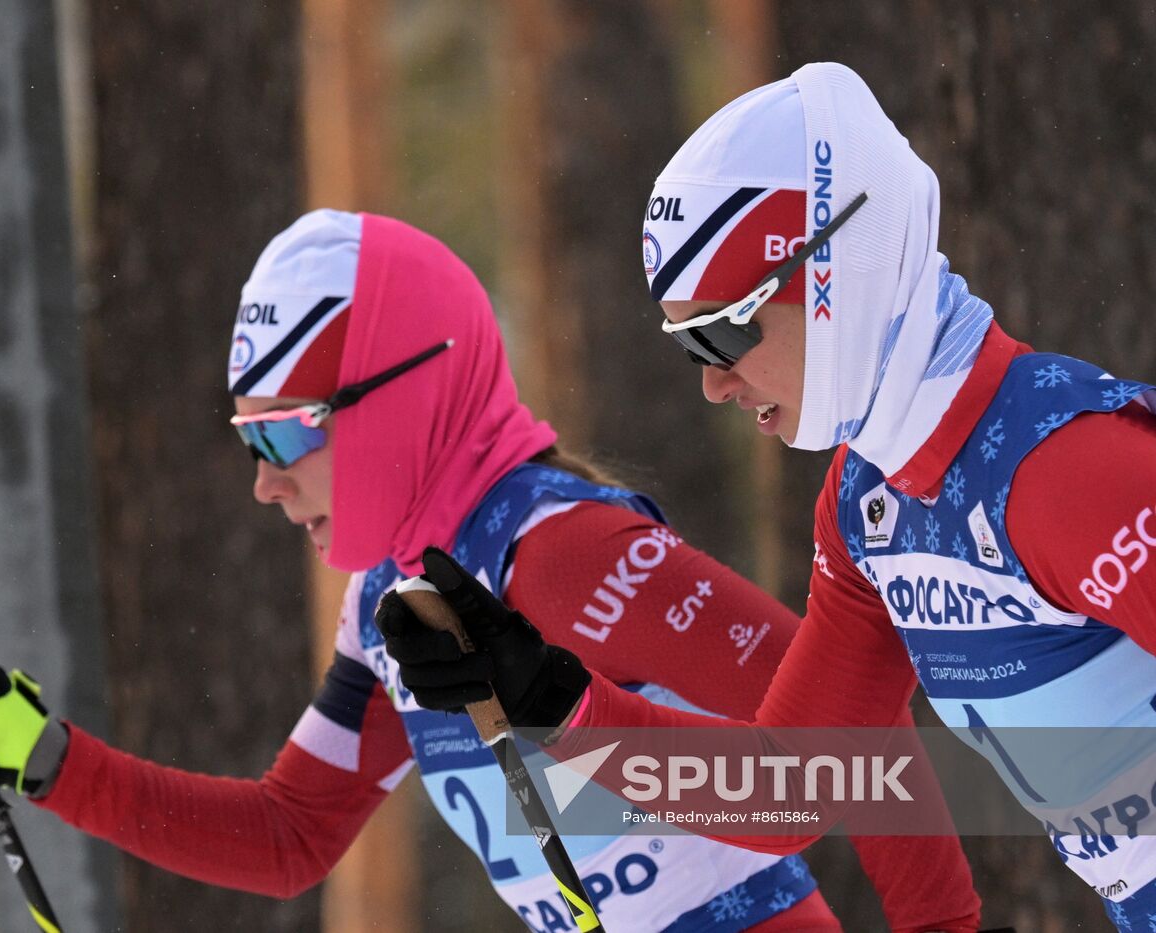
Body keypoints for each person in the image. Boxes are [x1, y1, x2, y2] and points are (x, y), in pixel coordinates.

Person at [0, 209, 982, 931]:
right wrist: (44, 759)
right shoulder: (387, 607)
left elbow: (853, 750)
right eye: (247, 444)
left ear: (394, 405)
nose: (262, 485)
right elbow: (289, 836)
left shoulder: (563, 555)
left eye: (282, 439)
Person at [375, 62, 1156, 929]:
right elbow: (789, 786)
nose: (713, 383)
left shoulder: (1069, 472)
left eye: (722, 332)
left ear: (834, 276)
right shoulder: (872, 506)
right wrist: (552, 696)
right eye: (689, 348)